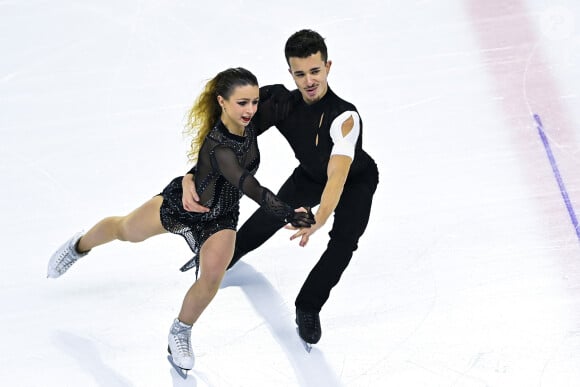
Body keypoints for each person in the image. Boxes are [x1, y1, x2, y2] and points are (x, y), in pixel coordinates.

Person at [46, 67, 315, 372]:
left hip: (222, 216)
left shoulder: (253, 115)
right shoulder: (220, 145)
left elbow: (281, 93)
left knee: (213, 276)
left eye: (254, 101)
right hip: (184, 206)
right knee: (126, 230)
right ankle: (79, 246)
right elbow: (249, 186)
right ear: (222, 102)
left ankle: (181, 330)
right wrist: (288, 213)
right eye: (242, 103)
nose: (250, 110)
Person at [181, 30, 379, 346]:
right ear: (290, 72)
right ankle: (225, 256)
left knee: (343, 242)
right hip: (310, 176)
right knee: (270, 215)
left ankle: (308, 306)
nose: (309, 80)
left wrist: (321, 215)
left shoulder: (344, 117)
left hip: (355, 181)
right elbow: (229, 138)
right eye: (300, 73)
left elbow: (338, 176)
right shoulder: (280, 103)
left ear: (328, 67)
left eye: (315, 71)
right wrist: (195, 174)